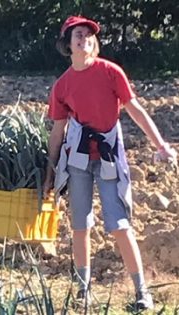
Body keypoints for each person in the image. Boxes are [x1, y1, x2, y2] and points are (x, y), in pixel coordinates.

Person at [43, 16, 177, 310]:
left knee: (119, 225)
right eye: (79, 35)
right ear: (68, 44)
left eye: (89, 36)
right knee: (80, 226)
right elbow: (57, 131)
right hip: (78, 160)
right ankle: (83, 291)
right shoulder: (62, 86)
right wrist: (50, 175)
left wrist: (161, 146)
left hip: (109, 158)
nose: (85, 40)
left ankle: (142, 292)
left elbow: (135, 110)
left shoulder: (110, 72)